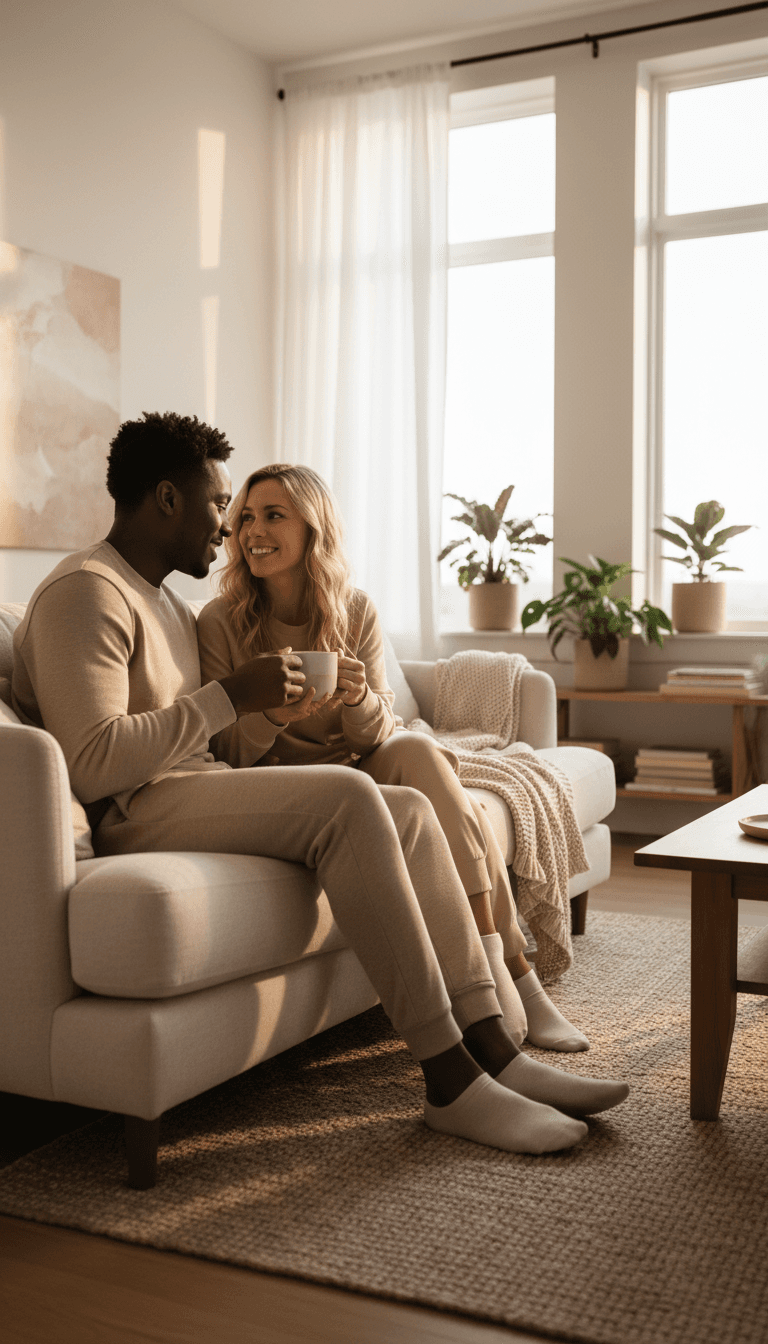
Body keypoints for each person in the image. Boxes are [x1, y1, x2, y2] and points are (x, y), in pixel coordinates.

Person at [12, 413, 628, 1159]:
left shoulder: (164, 599)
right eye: (218, 505)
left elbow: (220, 741)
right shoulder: (86, 592)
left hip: (188, 788)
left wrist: (256, 708)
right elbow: (92, 762)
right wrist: (235, 697)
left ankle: (495, 1047)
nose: (227, 528)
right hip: (136, 809)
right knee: (350, 797)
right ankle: (449, 1080)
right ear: (168, 499)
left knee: (402, 805)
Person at [198, 463, 591, 1055]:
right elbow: (223, 748)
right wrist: (275, 714)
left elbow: (380, 727)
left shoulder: (353, 610)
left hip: (357, 766)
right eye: (246, 517)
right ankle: (509, 983)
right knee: (417, 767)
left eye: (274, 515)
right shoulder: (220, 621)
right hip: (282, 786)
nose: (252, 530)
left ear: (313, 527)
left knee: (415, 748)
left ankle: (513, 972)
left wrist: (355, 699)